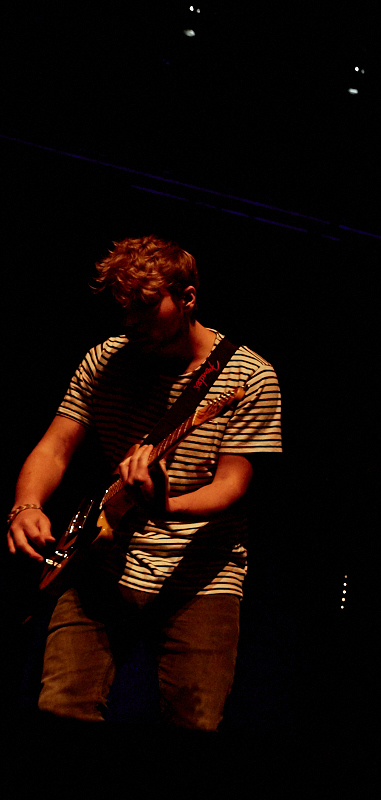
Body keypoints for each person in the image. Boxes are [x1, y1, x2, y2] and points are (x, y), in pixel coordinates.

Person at [6, 235, 282, 751]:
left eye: (145, 309)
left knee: (194, 732)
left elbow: (232, 487)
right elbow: (54, 449)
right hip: (102, 560)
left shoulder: (249, 375)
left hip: (203, 577)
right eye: (123, 311)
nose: (132, 324)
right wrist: (26, 506)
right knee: (60, 712)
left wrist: (167, 506)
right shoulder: (106, 358)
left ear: (188, 297)